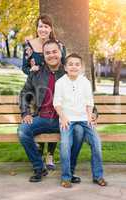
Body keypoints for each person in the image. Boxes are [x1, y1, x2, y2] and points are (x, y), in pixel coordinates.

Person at [18, 40, 82, 183]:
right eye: (48, 53)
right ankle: (39, 167)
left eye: (54, 52)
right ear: (44, 55)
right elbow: (24, 94)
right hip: (43, 118)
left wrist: (93, 113)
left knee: (79, 131)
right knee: (23, 130)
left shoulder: (69, 71)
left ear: (60, 53)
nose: (51, 55)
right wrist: (25, 113)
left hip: (66, 119)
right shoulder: (36, 73)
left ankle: (70, 171)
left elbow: (84, 94)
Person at [53, 53, 107, 188]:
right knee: (65, 146)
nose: (74, 67)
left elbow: (89, 102)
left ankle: (98, 176)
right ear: (65, 67)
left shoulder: (85, 82)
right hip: (67, 120)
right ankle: (66, 177)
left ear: (81, 67)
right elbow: (57, 103)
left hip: (84, 118)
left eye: (77, 64)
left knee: (96, 143)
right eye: (70, 64)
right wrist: (63, 117)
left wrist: (89, 116)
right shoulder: (60, 82)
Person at [22, 15, 66, 170]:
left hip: (55, 85)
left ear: (50, 28)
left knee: (54, 112)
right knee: (40, 115)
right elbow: (24, 67)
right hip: (36, 87)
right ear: (37, 28)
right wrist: (31, 70)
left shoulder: (59, 45)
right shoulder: (29, 45)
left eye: (46, 26)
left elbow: (63, 66)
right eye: (40, 26)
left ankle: (50, 154)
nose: (43, 29)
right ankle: (40, 154)